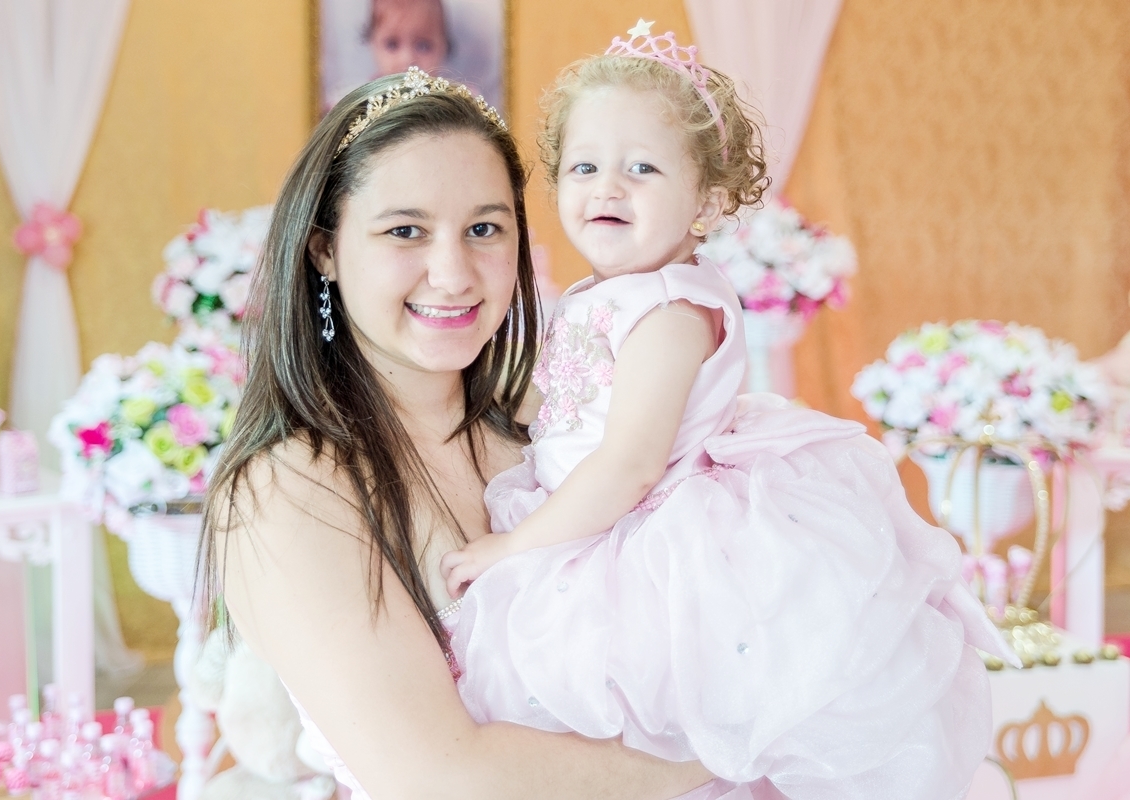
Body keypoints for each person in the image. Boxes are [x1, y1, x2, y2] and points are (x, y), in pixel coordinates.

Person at [438, 22, 1012, 800]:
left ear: (706, 201)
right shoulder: (605, 295)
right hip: (591, 510)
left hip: (647, 534)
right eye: (584, 166)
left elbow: (629, 464)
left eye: (642, 168)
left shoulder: (668, 312)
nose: (607, 187)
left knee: (647, 716)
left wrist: (515, 547)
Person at [201, 67, 722, 800]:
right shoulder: (287, 491)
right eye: (405, 231)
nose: (452, 275)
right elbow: (439, 775)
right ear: (325, 250)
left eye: (483, 229)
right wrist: (741, 750)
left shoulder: (559, 429)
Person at [365, 0, 449, 78]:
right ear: (373, 44)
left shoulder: (451, 88)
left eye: (423, 46)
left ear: (443, 47)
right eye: (392, 44)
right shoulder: (365, 89)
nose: (407, 60)